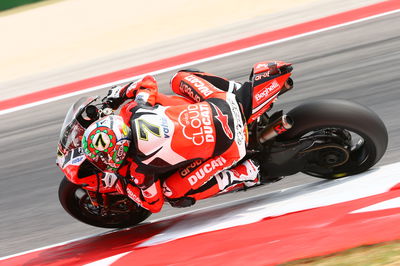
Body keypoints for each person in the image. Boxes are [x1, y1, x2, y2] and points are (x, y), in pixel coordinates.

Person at [82, 70, 264, 213]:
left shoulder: (139, 170)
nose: (102, 161)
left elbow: (153, 204)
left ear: (119, 151)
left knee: (172, 192)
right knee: (178, 78)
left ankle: (245, 174)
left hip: (230, 147)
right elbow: (147, 82)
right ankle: (237, 90)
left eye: (104, 157)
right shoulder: (135, 109)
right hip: (224, 103)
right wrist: (119, 95)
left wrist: (119, 185)